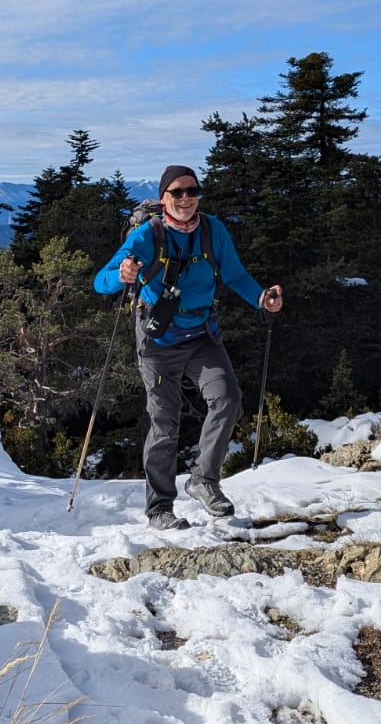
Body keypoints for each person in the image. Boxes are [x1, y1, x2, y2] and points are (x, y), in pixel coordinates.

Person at [94, 164, 283, 530]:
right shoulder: (147, 236)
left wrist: (262, 299)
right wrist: (121, 275)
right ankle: (159, 510)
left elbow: (234, 274)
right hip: (158, 340)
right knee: (165, 423)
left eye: (192, 191)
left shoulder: (213, 230)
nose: (185, 198)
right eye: (177, 192)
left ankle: (204, 480)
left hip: (201, 336)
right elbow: (100, 281)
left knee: (227, 399)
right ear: (163, 197)